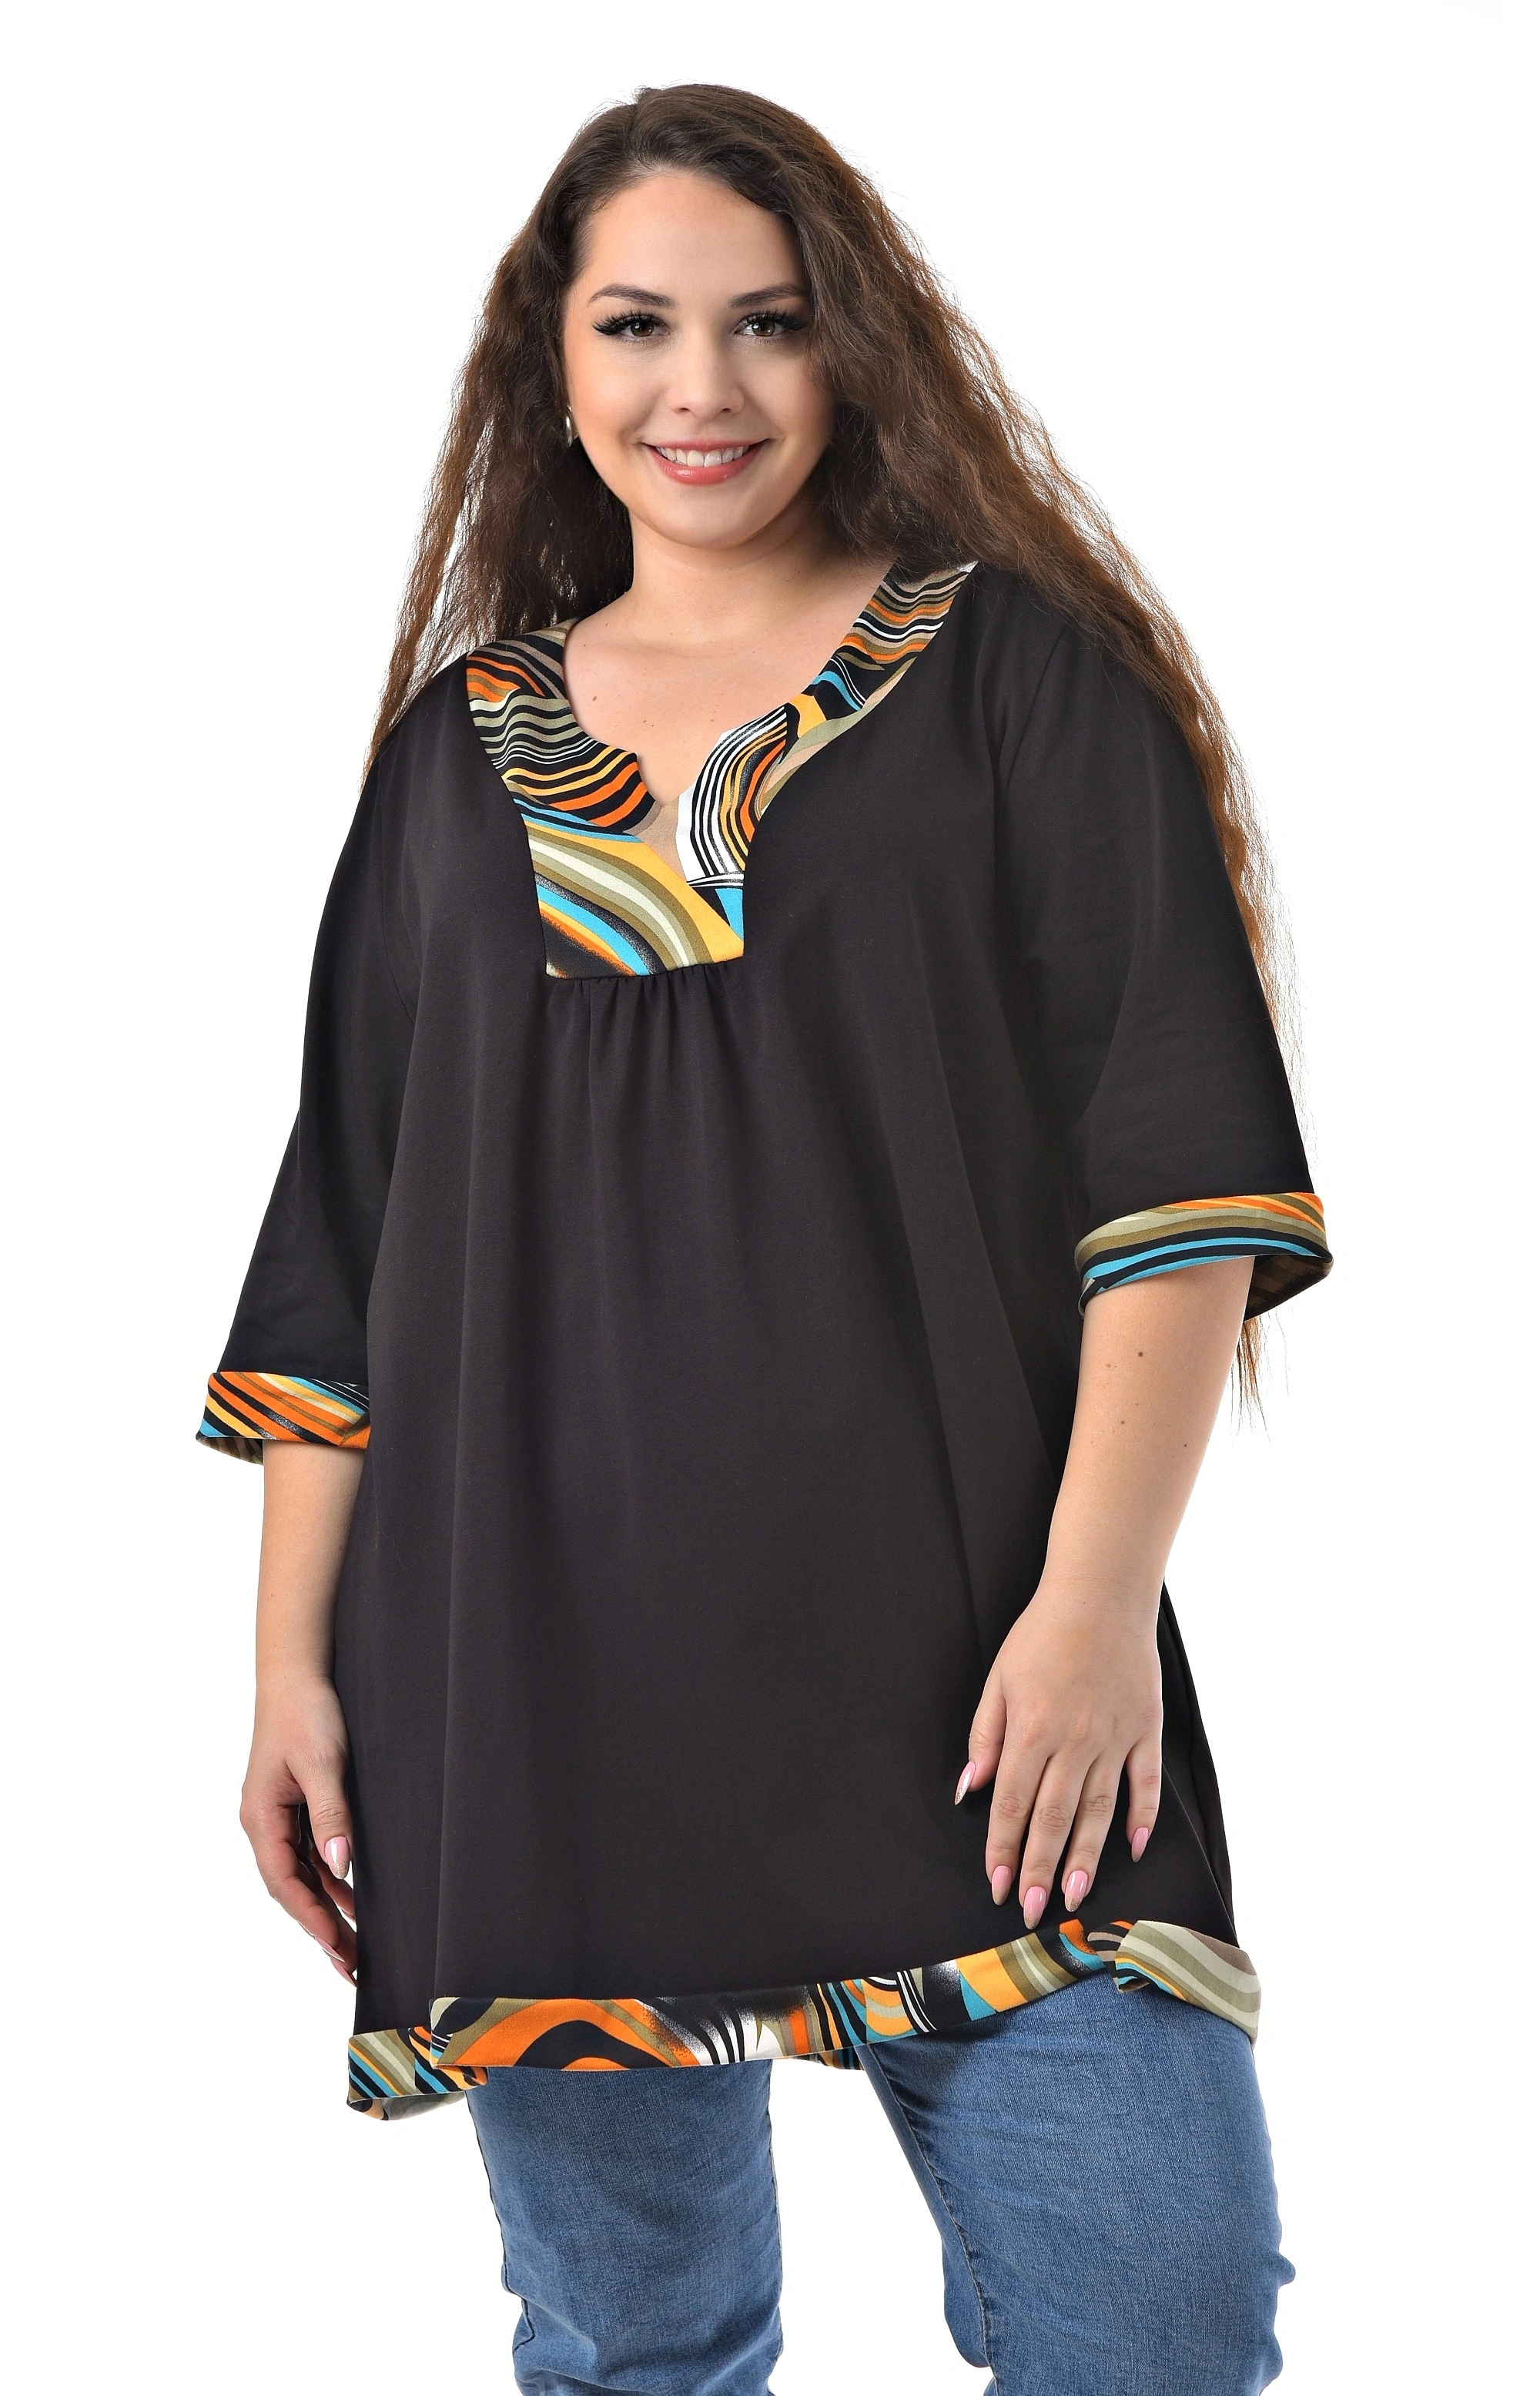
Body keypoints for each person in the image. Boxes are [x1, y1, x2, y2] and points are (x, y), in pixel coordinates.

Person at [200, 83, 1331, 2396]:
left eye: (770, 322)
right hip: (527, 1698)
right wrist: (290, 1669)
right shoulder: (457, 755)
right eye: (636, 324)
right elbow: (346, 1235)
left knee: (1158, 2326)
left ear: (858, 348)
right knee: (640, 2353)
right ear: (551, 360)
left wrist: (1094, 1615)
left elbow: (1176, 1183)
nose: (699, 386)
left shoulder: (1015, 681)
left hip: (988, 1695)